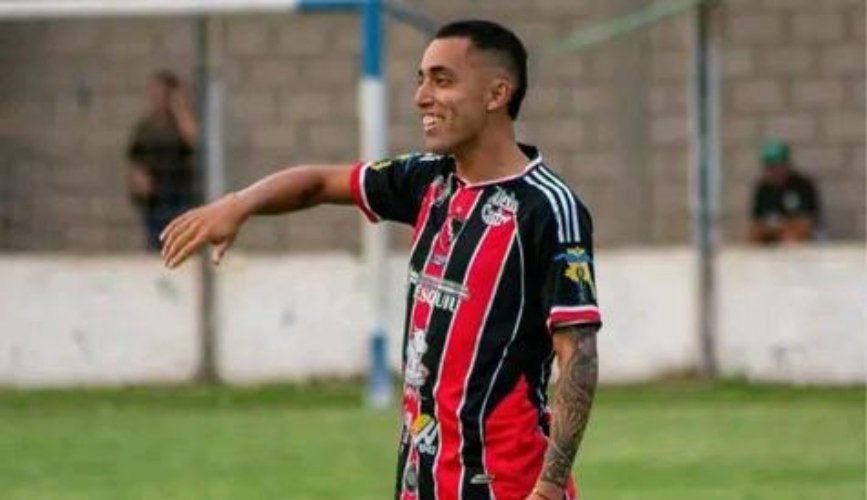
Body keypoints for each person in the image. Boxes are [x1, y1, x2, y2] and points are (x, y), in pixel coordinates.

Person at [160, 20, 601, 500]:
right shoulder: (428, 180)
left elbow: (578, 355)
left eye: (442, 80)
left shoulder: (548, 208)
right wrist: (239, 204)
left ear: (497, 93)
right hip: (421, 479)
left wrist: (550, 486)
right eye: (421, 80)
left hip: (507, 485)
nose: (422, 97)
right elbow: (321, 183)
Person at [127, 70, 199, 250]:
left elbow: (193, 141)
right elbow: (137, 157)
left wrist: (179, 107)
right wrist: (139, 180)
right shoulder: (147, 126)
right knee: (157, 241)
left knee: (182, 243)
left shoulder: (182, 122)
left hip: (180, 193)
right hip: (155, 197)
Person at [749, 140, 821, 244]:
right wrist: (775, 229)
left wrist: (783, 227)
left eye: (777, 165)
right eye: (769, 166)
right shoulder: (763, 189)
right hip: (772, 236)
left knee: (791, 238)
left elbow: (807, 221)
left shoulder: (802, 186)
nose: (773, 170)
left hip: (800, 237)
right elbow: (758, 222)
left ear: (786, 165)